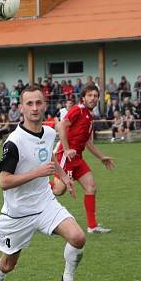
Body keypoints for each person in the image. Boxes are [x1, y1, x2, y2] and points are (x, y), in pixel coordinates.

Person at [0, 85, 92, 281]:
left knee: (78, 237)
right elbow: (4, 181)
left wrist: (63, 176)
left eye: (38, 103)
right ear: (21, 108)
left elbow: (49, 157)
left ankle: (68, 280)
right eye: (29, 104)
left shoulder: (50, 133)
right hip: (18, 214)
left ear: (45, 105)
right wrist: (37, 173)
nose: (34, 108)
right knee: (8, 264)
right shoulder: (14, 142)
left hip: (45, 203)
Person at [51, 84, 115, 234]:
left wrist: (101, 157)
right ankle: (35, 187)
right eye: (90, 95)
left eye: (95, 96)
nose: (93, 98)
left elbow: (86, 141)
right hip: (66, 157)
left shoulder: (88, 115)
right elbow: (61, 127)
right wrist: (66, 149)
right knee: (58, 190)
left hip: (78, 158)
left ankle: (92, 227)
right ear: (83, 97)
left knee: (91, 187)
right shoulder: (77, 110)